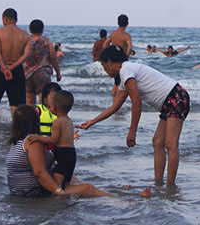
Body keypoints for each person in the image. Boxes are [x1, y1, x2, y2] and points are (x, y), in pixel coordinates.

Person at [77, 46, 190, 186]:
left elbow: (136, 101)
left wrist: (132, 131)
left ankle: (170, 186)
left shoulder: (126, 70)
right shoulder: (125, 76)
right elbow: (114, 107)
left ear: (110, 62)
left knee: (170, 143)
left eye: (103, 65)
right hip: (170, 100)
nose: (105, 70)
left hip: (176, 96)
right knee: (157, 142)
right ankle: (159, 183)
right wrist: (92, 122)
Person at [6, 104, 111, 197]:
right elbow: (39, 172)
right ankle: (118, 200)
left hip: (18, 191)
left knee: (74, 180)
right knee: (88, 189)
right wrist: (59, 192)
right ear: (35, 121)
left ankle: (112, 193)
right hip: (34, 192)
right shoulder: (33, 142)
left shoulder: (16, 142)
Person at [26, 91, 76, 189]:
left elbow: (53, 140)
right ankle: (69, 200)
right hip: (72, 154)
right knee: (66, 183)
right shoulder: (69, 121)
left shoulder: (57, 122)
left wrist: (38, 138)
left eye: (51, 105)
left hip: (62, 155)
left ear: (54, 107)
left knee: (56, 185)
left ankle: (58, 200)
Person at [0, 8, 30, 118]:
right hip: (16, 69)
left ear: (5, 19)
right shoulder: (25, 35)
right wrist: (12, 68)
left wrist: (4, 68)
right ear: (16, 20)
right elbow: (25, 56)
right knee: (16, 102)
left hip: (1, 68)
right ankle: (15, 124)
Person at [10, 19, 62, 107]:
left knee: (30, 100)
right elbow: (53, 57)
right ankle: (42, 116)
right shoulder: (46, 41)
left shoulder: (26, 41)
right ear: (42, 30)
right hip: (42, 72)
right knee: (43, 97)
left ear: (30, 30)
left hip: (26, 73)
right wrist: (58, 73)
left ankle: (32, 117)